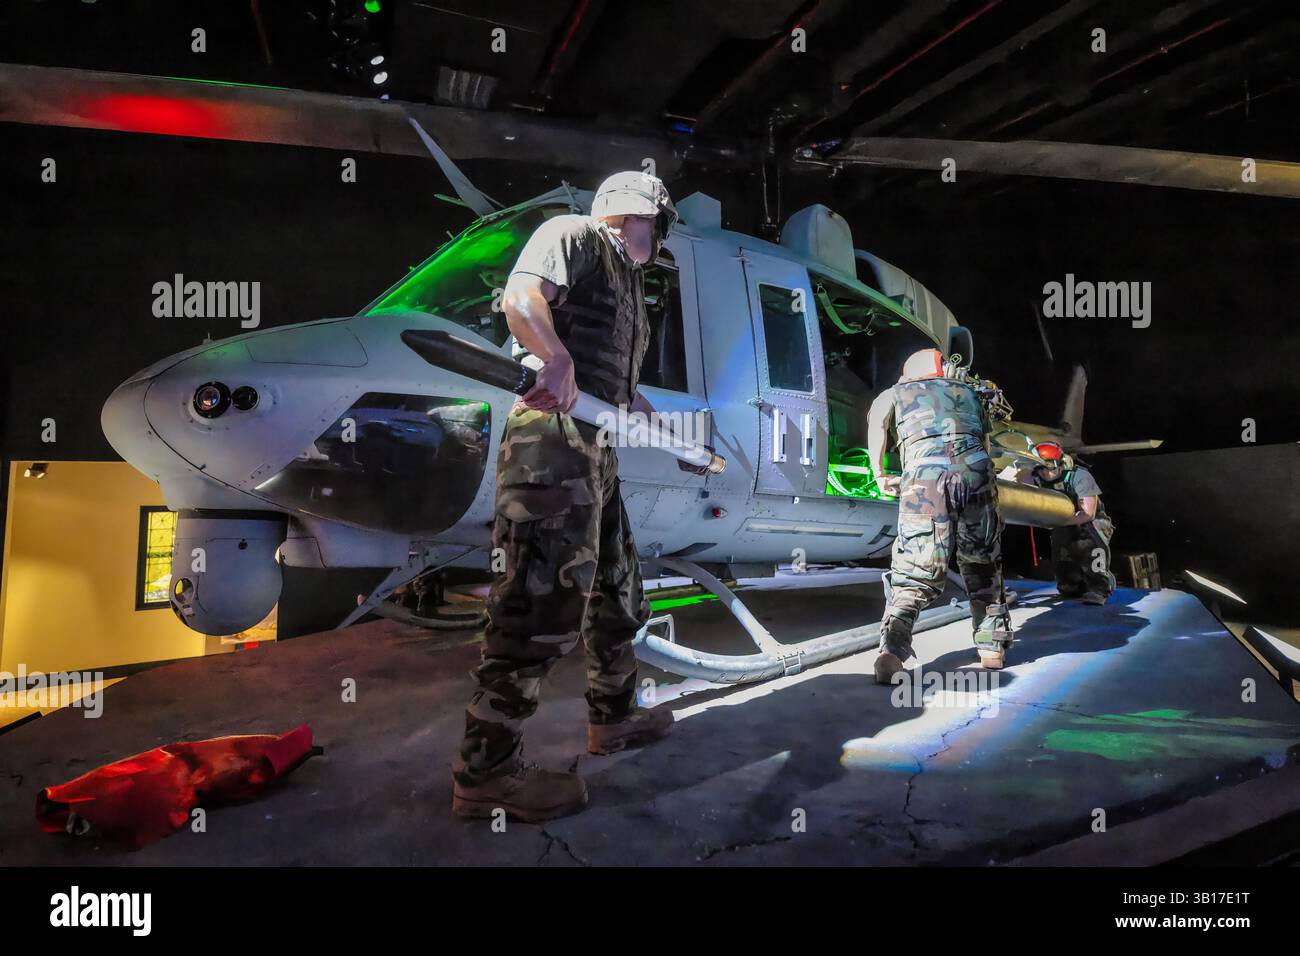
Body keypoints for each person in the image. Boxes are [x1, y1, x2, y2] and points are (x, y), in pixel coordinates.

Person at [451, 171, 679, 823]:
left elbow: (613, 376)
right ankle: (485, 773)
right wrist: (551, 357)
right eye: (658, 225)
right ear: (639, 212)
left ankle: (614, 717)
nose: (659, 241)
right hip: (552, 438)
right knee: (538, 602)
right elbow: (522, 298)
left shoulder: (629, 282)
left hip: (596, 446)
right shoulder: (576, 233)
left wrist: (649, 415)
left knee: (615, 588)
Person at [866, 349, 1013, 681]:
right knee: (982, 562)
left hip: (925, 479)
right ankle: (992, 648)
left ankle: (891, 652)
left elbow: (876, 422)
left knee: (914, 569)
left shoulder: (894, 393)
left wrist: (879, 474)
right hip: (976, 473)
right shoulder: (972, 393)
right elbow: (985, 443)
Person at [1032, 441, 1115, 605]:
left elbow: (1088, 513)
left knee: (1091, 546)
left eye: (1049, 467)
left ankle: (1099, 588)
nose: (1045, 473)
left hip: (1092, 521)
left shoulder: (1080, 477)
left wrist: (1057, 520)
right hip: (1062, 521)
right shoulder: (1036, 478)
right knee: (1060, 551)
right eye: (1040, 468)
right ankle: (1071, 583)